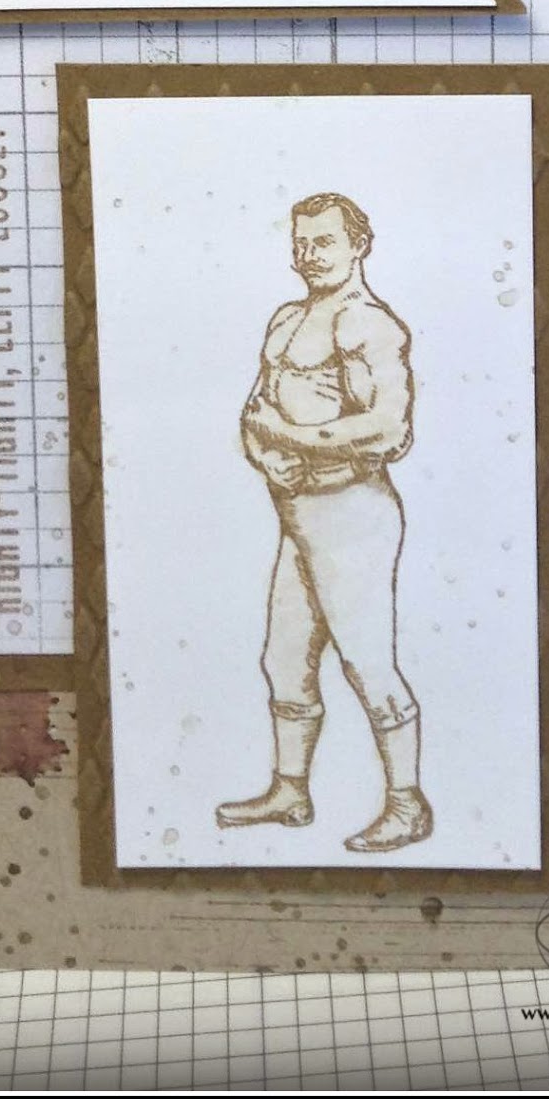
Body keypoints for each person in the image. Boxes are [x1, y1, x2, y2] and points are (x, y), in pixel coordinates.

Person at [216, 193, 433, 852]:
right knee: (284, 660)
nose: (309, 255)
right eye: (301, 242)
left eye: (324, 242)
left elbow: (390, 431)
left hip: (351, 514)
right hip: (298, 515)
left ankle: (407, 805)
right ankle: (291, 791)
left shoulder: (370, 325)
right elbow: (255, 411)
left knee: (367, 665)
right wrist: (266, 457)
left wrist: (291, 440)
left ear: (359, 245)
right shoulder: (286, 318)